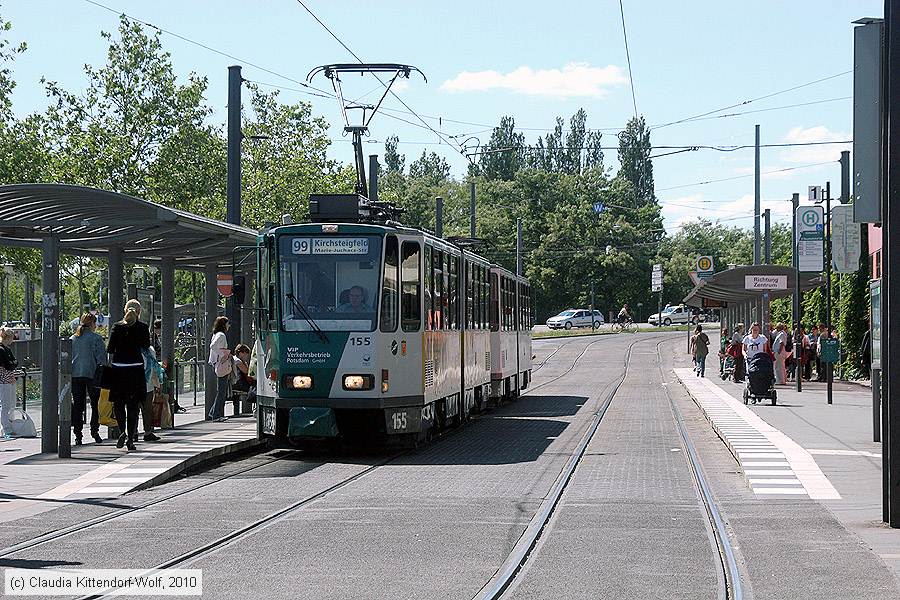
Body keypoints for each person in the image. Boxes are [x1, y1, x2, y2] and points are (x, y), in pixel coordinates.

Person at [106, 299, 151, 451]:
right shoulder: (142, 327)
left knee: (118, 403)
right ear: (138, 312)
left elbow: (110, 349)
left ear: (125, 310)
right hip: (135, 371)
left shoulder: (117, 327)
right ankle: (130, 439)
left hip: (119, 371)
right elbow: (145, 345)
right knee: (133, 406)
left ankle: (122, 431)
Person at [70, 313, 107, 445]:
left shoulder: (73, 338)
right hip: (93, 375)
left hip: (76, 375)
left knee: (78, 406)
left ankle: (78, 434)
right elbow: (102, 358)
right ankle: (94, 432)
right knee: (95, 404)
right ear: (92, 323)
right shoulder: (96, 338)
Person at [207, 316, 232, 422]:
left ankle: (213, 412)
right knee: (222, 391)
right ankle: (216, 415)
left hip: (217, 363)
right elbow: (213, 346)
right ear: (224, 324)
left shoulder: (216, 334)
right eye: (227, 323)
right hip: (221, 363)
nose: (229, 325)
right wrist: (222, 355)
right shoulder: (221, 335)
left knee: (221, 390)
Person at [140, 346, 162, 442]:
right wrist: (158, 383)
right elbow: (154, 367)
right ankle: (147, 432)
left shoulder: (129, 347)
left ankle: (133, 433)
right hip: (147, 383)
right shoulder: (150, 350)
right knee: (147, 409)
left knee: (133, 409)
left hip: (133, 384)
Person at [0, 327, 17, 439]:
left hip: (9, 379)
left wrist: (12, 363)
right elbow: (9, 364)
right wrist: (13, 363)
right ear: (8, 337)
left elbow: (13, 362)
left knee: (10, 404)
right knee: (5, 405)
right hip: (4, 379)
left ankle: (8, 427)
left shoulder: (7, 349)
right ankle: (6, 429)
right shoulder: (1, 350)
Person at [231, 343, 256, 411]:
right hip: (238, 384)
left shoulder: (235, 359)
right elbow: (248, 372)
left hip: (236, 382)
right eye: (246, 353)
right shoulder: (238, 361)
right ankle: (255, 406)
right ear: (241, 353)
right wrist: (246, 364)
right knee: (255, 388)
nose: (247, 356)